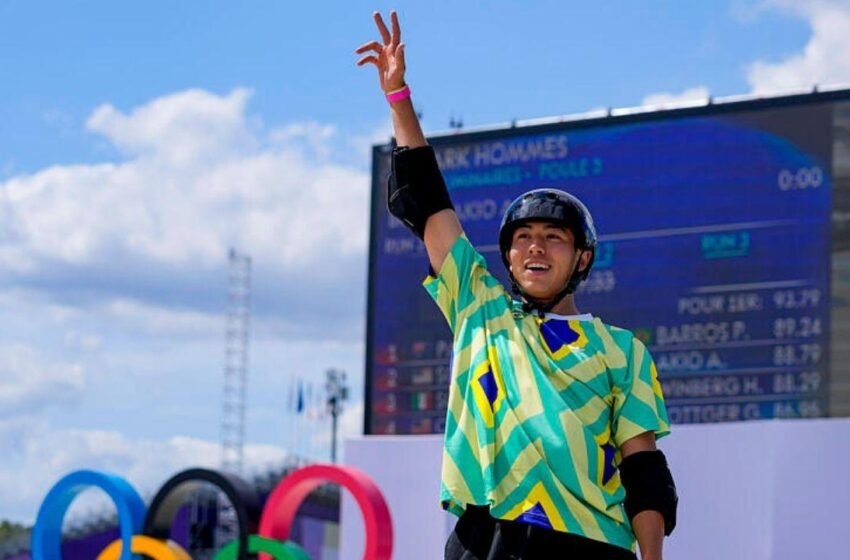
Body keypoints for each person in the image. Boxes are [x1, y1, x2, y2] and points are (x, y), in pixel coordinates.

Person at [356, 11, 677, 560]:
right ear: (506, 254)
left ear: (582, 258)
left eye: (554, 237)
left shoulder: (622, 351)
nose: (534, 246)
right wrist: (398, 97)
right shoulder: (478, 306)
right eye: (522, 236)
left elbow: (644, 469)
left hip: (590, 544)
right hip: (487, 539)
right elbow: (427, 201)